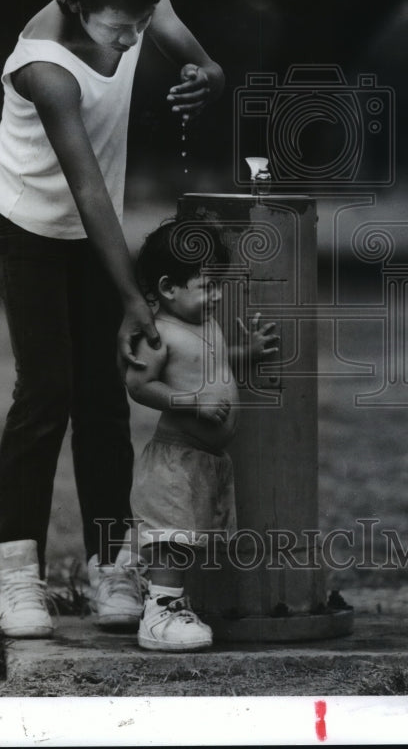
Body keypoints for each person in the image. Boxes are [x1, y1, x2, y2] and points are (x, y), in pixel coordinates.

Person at [0, 0, 225, 638]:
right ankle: (11, 572)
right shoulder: (43, 65)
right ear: (77, 3)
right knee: (46, 391)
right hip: (29, 227)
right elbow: (87, 189)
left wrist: (208, 77)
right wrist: (133, 302)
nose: (132, 39)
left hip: (94, 232)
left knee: (104, 399)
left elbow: (197, 55)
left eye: (142, 23)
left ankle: (111, 562)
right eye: (121, 29)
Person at [125, 220, 278, 651]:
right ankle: (160, 615)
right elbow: (139, 386)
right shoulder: (158, 335)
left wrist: (245, 354)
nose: (216, 296)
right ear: (169, 287)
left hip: (205, 458)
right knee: (173, 538)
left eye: (219, 286)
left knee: (185, 536)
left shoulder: (204, 324)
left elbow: (210, 363)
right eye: (208, 286)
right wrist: (191, 402)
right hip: (176, 457)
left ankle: (154, 587)